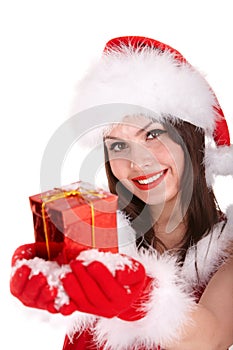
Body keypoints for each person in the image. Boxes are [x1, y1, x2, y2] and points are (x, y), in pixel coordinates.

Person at [10, 36, 233, 350]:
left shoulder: (228, 251)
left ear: (190, 137)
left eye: (153, 134)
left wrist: (137, 295)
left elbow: (210, 337)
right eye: (118, 144)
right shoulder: (98, 240)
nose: (138, 161)